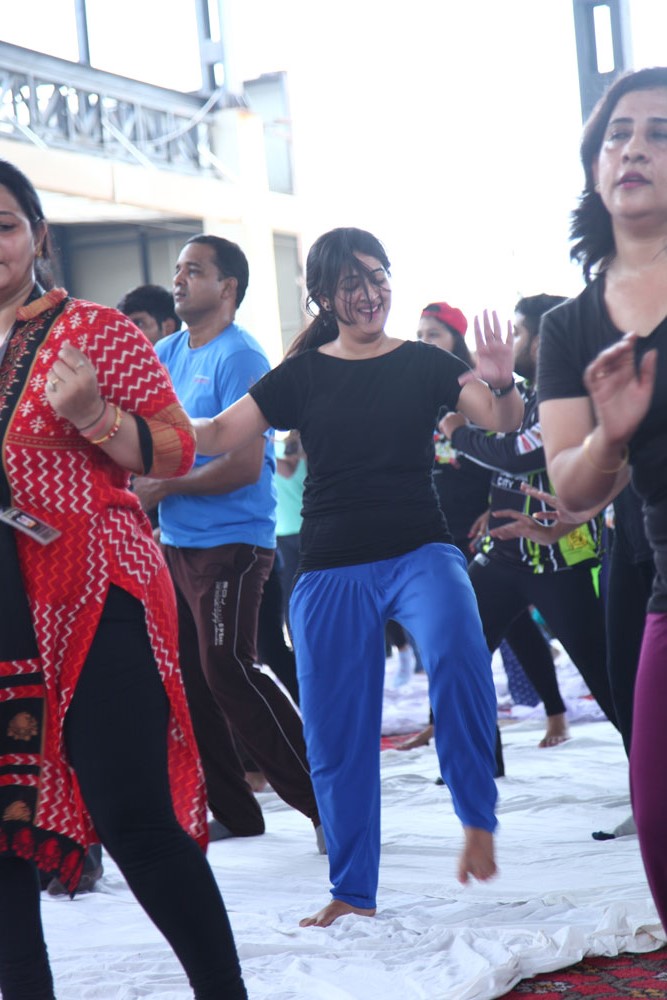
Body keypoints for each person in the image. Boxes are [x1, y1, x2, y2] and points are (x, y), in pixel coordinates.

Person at [192, 226, 525, 927]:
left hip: (420, 550)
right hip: (330, 566)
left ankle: (476, 816)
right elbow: (217, 433)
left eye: (377, 276)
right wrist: (117, 421)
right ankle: (352, 889)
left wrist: (501, 379)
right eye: (351, 282)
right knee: (337, 732)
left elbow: (500, 420)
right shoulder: (300, 376)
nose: (369, 293)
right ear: (324, 295)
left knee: (460, 653)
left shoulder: (427, 363)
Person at [0, 161, 247, 999]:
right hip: (3, 606)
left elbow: (176, 448)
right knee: (3, 829)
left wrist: (94, 418)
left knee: (131, 815)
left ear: (39, 234)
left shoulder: (95, 330)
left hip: (92, 589)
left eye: (5, 224)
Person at [132, 234, 323, 848]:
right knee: (188, 679)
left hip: (233, 545)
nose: (179, 279)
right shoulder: (165, 352)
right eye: (178, 269)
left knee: (228, 669)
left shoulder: (241, 356)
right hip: (176, 544)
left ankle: (325, 804)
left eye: (194, 270)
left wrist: (165, 488)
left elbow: (243, 467)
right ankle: (237, 812)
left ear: (227, 287)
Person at [535, 67, 667, 929]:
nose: (634, 148)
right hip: (663, 578)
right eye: (618, 134)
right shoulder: (570, 327)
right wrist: (607, 436)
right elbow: (571, 489)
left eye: (659, 133)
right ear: (594, 165)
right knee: (657, 817)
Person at [441, 294, 618, 739]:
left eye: (517, 332)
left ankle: (649, 765)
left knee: (609, 681)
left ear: (543, 342)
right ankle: (477, 766)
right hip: (502, 556)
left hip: (562, 560)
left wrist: (458, 434)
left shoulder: (576, 398)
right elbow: (503, 445)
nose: (508, 342)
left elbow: (518, 454)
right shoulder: (523, 395)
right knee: (456, 652)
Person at [401, 300, 567, 752]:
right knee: (450, 634)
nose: (423, 342)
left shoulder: (478, 389)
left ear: (456, 340)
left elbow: (511, 451)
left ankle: (555, 711)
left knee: (513, 627)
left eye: (433, 334)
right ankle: (453, 732)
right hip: (440, 527)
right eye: (419, 334)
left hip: (493, 529)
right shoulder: (419, 390)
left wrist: (493, 507)